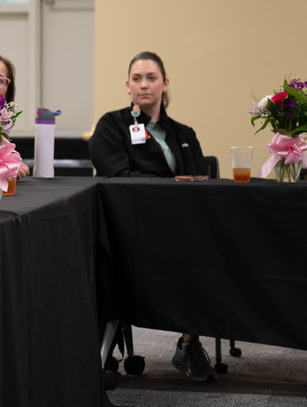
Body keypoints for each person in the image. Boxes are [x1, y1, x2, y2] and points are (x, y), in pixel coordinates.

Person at [88, 50, 213, 381]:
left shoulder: (184, 134)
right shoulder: (111, 126)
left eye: (152, 78)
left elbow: (201, 183)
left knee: (205, 250)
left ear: (165, 84)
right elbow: (116, 177)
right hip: (131, 231)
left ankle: (189, 343)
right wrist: (172, 183)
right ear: (127, 85)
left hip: (181, 228)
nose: (144, 85)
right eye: (137, 79)